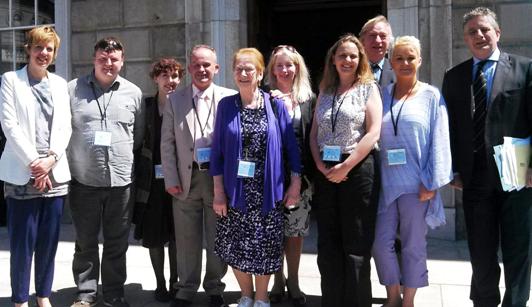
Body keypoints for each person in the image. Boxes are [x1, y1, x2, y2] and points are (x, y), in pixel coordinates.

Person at [442, 7, 532, 307]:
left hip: (517, 178)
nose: (479, 35)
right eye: (472, 32)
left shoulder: (525, 69)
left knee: (518, 251)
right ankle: (485, 302)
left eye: (484, 30)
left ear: (498, 33)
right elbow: (450, 128)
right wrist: (451, 168)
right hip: (475, 180)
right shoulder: (454, 77)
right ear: (465, 39)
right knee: (481, 253)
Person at [210, 48, 302, 307]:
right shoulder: (226, 106)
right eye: (238, 68)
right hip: (235, 191)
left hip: (268, 190)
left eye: (249, 68)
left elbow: (291, 149)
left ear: (260, 73)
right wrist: (218, 192)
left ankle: (262, 298)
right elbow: (217, 152)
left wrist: (295, 183)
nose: (243, 73)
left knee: (265, 246)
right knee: (236, 245)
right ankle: (246, 295)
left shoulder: (275, 105)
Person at [372, 36, 453, 307]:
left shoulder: (431, 96)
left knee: (413, 246)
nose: (405, 63)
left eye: (410, 57)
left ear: (419, 60)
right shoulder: (382, 95)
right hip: (385, 185)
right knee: (380, 245)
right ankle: (392, 297)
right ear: (391, 62)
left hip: (416, 186)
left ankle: (408, 301)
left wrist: (432, 181)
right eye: (399, 58)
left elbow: (440, 141)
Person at [68, 37, 145, 307]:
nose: (108, 63)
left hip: (121, 182)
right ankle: (86, 293)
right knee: (85, 241)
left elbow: (138, 138)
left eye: (114, 59)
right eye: (103, 58)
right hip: (83, 180)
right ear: (94, 59)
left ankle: (113, 293)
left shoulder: (133, 93)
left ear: (122, 62)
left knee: (117, 242)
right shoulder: (72, 90)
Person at [0, 25, 71, 307]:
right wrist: (35, 163)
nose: (44, 53)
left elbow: (65, 127)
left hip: (55, 171)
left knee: (48, 243)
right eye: (39, 47)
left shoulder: (59, 84)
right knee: (21, 245)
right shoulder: (10, 80)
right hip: (22, 171)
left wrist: (51, 159)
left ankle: (43, 296)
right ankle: (19, 300)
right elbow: (9, 125)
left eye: (49, 49)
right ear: (28, 49)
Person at [309, 33, 382, 307]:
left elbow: (373, 132)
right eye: (342, 55)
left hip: (358, 168)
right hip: (326, 171)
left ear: (360, 59)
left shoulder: (368, 88)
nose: (348, 60)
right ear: (334, 60)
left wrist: (346, 166)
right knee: (328, 242)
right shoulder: (325, 92)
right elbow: (314, 133)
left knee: (356, 242)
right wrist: (319, 164)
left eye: (353, 55)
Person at [160, 45, 235, 307]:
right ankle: (186, 288)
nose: (202, 70)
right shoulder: (175, 100)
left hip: (218, 182)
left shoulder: (230, 98)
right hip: (185, 179)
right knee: (186, 238)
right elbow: (166, 144)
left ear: (216, 68)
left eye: (207, 65)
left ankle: (214, 286)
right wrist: (170, 180)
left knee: (217, 236)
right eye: (196, 65)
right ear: (189, 68)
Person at [265, 45, 315, 307]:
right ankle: (277, 280)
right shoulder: (263, 98)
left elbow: (314, 139)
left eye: (290, 65)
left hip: (301, 179)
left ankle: (293, 280)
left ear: (298, 67)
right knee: (274, 233)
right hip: (270, 178)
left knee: (295, 233)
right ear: (272, 70)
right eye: (279, 66)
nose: (285, 70)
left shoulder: (309, 99)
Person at [133, 58, 184, 302]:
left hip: (179, 179)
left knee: (176, 234)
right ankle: (160, 283)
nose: (170, 81)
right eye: (165, 76)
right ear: (156, 79)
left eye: (174, 76)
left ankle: (176, 281)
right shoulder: (146, 106)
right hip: (152, 182)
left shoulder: (185, 105)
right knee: (154, 234)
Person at [359, 15, 395, 87]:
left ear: (389, 42)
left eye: (383, 36)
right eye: (372, 35)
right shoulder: (353, 69)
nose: (378, 41)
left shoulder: (397, 69)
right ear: (363, 41)